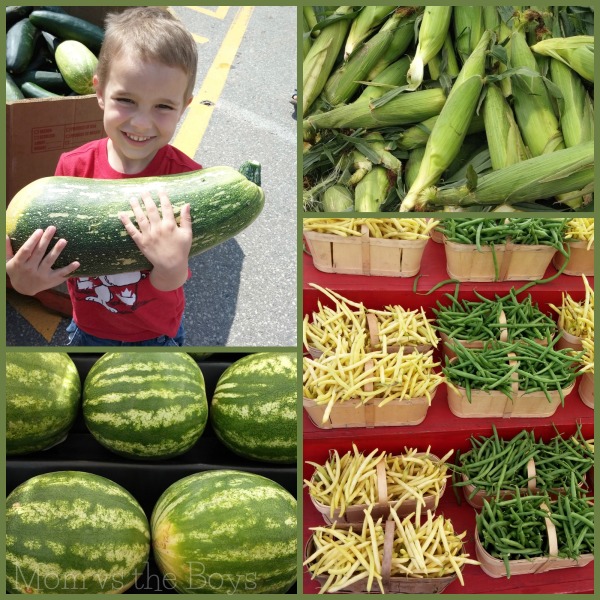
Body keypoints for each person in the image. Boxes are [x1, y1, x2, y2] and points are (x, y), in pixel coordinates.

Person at [6, 7, 200, 346]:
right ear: (98, 92)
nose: (141, 122)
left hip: (155, 336)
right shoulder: (73, 168)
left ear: (185, 106)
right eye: (126, 100)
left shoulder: (187, 182)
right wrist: (23, 281)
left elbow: (174, 281)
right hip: (86, 331)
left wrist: (170, 268)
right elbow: (52, 257)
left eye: (163, 107)